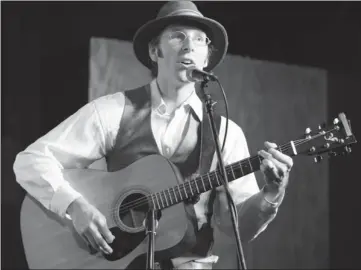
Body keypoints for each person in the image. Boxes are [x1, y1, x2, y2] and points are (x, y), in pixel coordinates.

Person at [13, 1, 293, 269]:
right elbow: (31, 160)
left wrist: (271, 192)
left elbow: (237, 228)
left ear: (207, 56)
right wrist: (74, 206)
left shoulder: (226, 133)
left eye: (199, 40)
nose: (189, 46)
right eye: (177, 36)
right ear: (154, 51)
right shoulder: (114, 111)